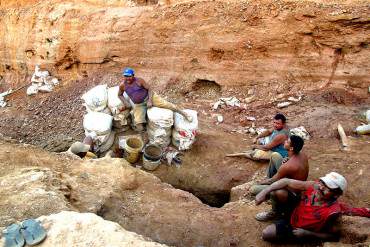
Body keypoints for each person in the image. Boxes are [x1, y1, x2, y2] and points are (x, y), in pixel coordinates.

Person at [255, 172, 370, 242]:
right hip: (295, 211)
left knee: (267, 234)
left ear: (336, 194)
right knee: (278, 192)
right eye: (322, 183)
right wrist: (264, 191)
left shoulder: (332, 212)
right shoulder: (314, 186)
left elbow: (333, 235)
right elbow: (286, 181)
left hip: (298, 227)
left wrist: (308, 234)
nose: (320, 188)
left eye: (327, 188)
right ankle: (276, 213)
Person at [251, 135, 309, 221]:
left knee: (254, 189)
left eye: (287, 142)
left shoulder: (289, 166)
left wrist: (260, 183)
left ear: (292, 148)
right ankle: (269, 189)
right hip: (293, 182)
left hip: (292, 192)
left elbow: (273, 180)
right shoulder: (302, 155)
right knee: (275, 155)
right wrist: (287, 159)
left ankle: (275, 212)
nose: (285, 141)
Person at [118, 67, 192, 132]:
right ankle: (146, 131)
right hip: (139, 104)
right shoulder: (122, 85)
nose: (127, 78)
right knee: (139, 125)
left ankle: (185, 114)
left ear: (133, 76)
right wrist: (126, 103)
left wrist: (150, 100)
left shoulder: (139, 81)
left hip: (150, 97)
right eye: (125, 76)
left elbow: (150, 89)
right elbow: (120, 95)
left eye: (129, 76)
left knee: (167, 105)